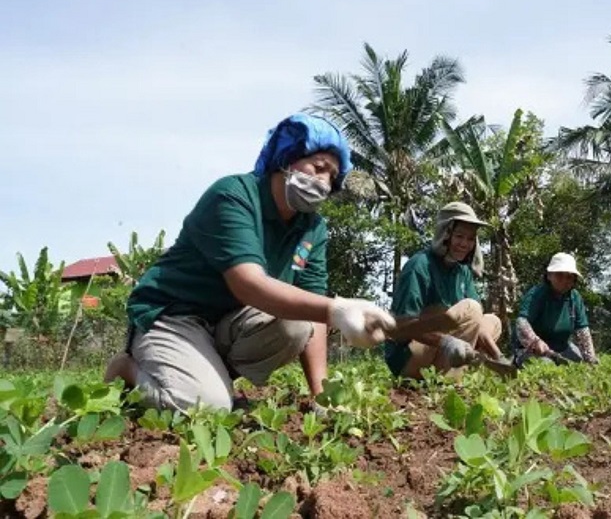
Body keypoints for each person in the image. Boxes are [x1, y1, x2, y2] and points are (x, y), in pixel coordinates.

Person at [104, 113, 395, 412]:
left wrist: (322, 396)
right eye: (318, 167)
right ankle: (127, 369)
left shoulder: (312, 228)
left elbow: (315, 308)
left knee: (297, 324)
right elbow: (248, 284)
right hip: (174, 315)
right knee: (207, 408)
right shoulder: (233, 196)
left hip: (229, 321)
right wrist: (338, 310)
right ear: (287, 157)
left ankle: (209, 376)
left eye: (331, 177)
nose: (323, 180)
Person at [383, 202, 508, 379]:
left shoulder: (462, 271)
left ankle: (454, 370)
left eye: (471, 239)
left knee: (492, 321)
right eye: (459, 236)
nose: (465, 244)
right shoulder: (419, 266)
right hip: (409, 355)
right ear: (445, 234)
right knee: (471, 308)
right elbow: (401, 326)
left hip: (441, 351)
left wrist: (498, 356)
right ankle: (448, 374)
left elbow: (476, 322)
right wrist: (446, 342)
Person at [512, 252, 599, 367]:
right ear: (549, 276)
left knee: (580, 365)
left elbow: (582, 331)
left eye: (569, 276)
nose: (564, 280)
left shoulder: (574, 298)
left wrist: (590, 360)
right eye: (559, 275)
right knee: (545, 365)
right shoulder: (537, 294)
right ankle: (517, 362)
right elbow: (521, 322)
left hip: (562, 347)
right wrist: (535, 342)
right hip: (532, 349)